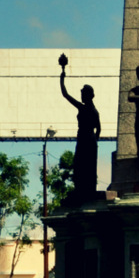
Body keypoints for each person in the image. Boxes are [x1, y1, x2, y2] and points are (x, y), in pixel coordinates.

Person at [58, 55, 100, 202]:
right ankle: (84, 190)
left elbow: (65, 94)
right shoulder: (91, 110)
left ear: (88, 95)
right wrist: (95, 140)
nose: (81, 95)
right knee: (84, 167)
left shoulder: (86, 109)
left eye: (82, 93)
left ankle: (83, 191)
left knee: (82, 166)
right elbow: (99, 129)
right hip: (88, 140)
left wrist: (62, 79)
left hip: (85, 139)